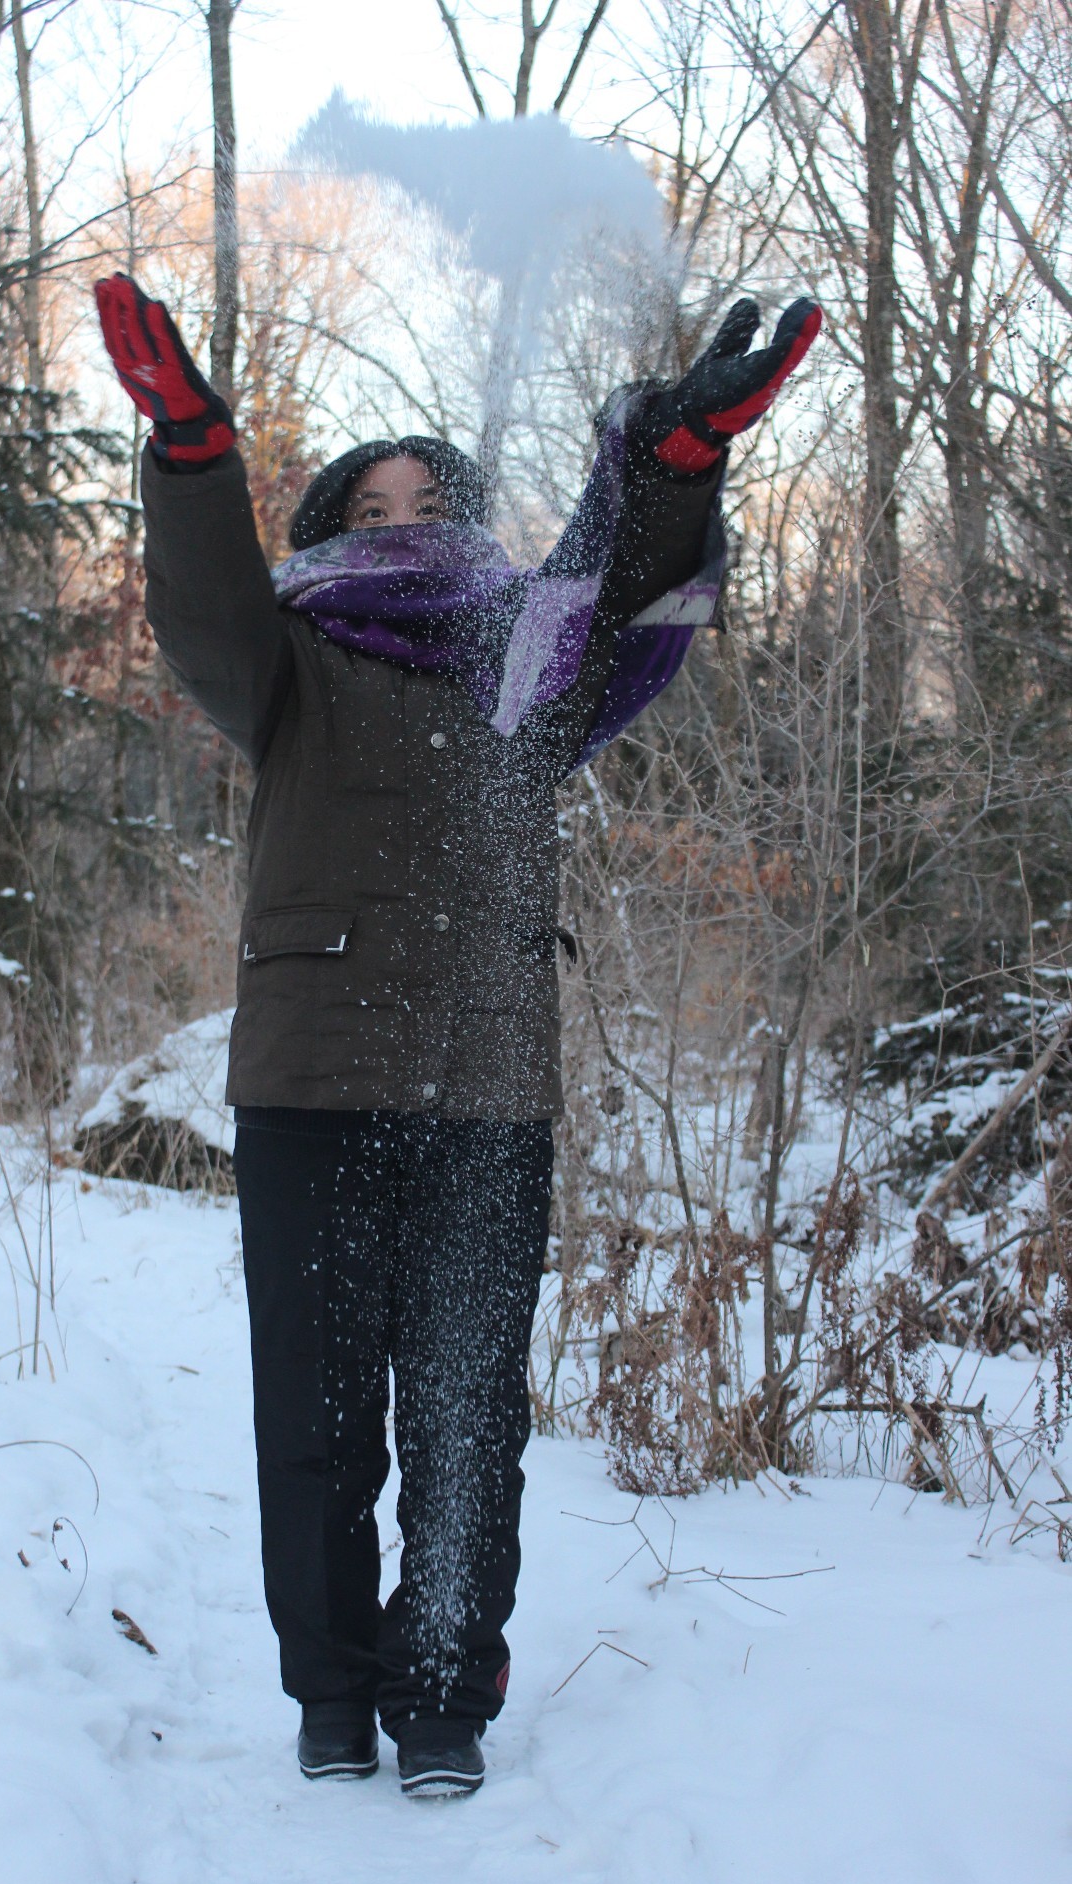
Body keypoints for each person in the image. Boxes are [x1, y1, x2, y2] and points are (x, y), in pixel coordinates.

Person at [95, 274, 820, 1797]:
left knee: (469, 1412)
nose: (404, 508)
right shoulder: (285, 661)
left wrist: (673, 465)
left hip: (487, 1082)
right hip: (309, 1080)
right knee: (313, 1420)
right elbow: (202, 601)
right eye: (372, 492)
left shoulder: (526, 661)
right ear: (329, 528)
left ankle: (441, 1698)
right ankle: (331, 1695)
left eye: (432, 491)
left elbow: (621, 586)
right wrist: (189, 452)